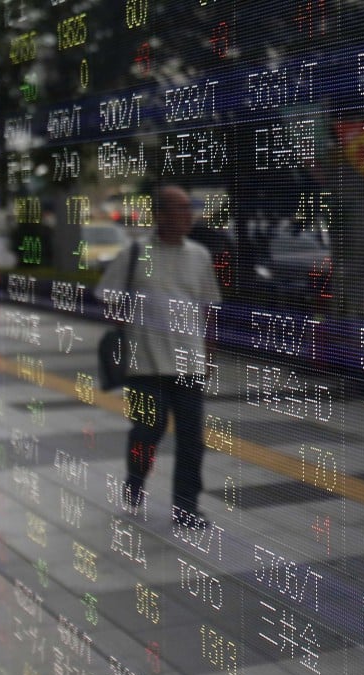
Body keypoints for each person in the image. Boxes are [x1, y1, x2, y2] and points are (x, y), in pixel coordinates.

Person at [99, 185, 221, 527]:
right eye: (181, 209)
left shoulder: (199, 255)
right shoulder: (135, 253)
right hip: (144, 365)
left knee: (191, 441)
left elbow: (209, 305)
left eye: (189, 208)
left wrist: (209, 349)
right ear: (161, 215)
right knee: (146, 432)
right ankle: (135, 481)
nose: (188, 215)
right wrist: (132, 321)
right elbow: (108, 298)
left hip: (188, 365)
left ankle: (186, 508)